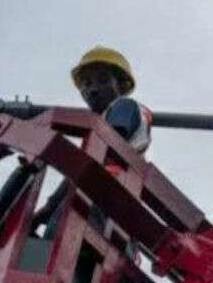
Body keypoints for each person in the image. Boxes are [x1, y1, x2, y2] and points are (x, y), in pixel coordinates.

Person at [33, 46, 152, 237]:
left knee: (60, 239)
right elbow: (85, 166)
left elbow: (103, 150)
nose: (92, 89)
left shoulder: (123, 106)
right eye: (86, 84)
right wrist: (48, 208)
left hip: (104, 195)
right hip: (101, 197)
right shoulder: (99, 126)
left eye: (103, 80)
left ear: (121, 85)